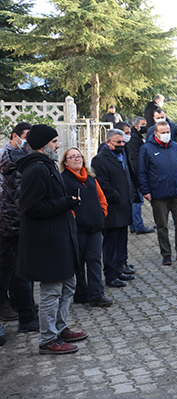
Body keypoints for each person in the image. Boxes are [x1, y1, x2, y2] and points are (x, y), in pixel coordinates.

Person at [19, 124, 88, 354]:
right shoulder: (36, 169)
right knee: (51, 292)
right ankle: (48, 339)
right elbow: (31, 207)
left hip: (61, 238)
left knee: (69, 285)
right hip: (47, 243)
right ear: (43, 144)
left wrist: (65, 202)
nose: (58, 146)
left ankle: (59, 328)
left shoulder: (46, 166)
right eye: (54, 142)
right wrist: (64, 203)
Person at [59, 147, 113, 307]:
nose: (77, 159)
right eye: (72, 157)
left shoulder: (90, 179)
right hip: (77, 229)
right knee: (79, 262)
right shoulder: (63, 180)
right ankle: (81, 293)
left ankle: (96, 294)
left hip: (95, 228)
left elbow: (101, 197)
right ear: (65, 162)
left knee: (95, 260)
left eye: (79, 156)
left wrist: (101, 213)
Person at [138, 120, 177, 266]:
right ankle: (166, 254)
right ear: (156, 133)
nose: (166, 135)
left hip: (176, 192)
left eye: (168, 132)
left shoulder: (175, 147)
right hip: (158, 195)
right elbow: (142, 172)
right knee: (162, 225)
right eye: (163, 132)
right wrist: (145, 191)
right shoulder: (147, 149)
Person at [0, 121, 38, 333]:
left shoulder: (22, 158)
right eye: (25, 137)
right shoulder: (8, 157)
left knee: (17, 266)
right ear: (15, 136)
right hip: (9, 219)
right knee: (8, 265)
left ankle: (20, 303)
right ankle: (8, 303)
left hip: (14, 219)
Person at [92, 128, 139, 290]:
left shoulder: (121, 155)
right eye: (118, 142)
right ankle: (110, 275)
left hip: (124, 206)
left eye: (123, 142)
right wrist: (117, 196)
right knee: (111, 244)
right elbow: (103, 185)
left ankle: (119, 268)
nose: (121, 145)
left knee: (121, 240)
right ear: (108, 142)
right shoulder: (99, 160)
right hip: (112, 208)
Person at [126, 117, 154, 235]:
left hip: (134, 172)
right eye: (143, 125)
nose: (145, 127)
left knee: (135, 200)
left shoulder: (135, 136)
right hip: (135, 173)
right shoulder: (133, 138)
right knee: (137, 200)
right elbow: (134, 157)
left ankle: (133, 225)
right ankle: (138, 226)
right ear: (137, 126)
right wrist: (140, 173)